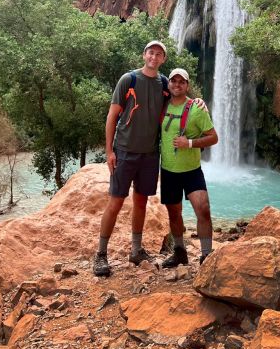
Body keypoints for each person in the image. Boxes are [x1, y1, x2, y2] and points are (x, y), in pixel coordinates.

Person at [93, 40, 169, 278]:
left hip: (149, 154)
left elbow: (176, 107)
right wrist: (109, 151)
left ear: (163, 59)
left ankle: (136, 250)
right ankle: (101, 254)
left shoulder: (164, 84)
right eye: (150, 53)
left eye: (158, 54)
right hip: (125, 151)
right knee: (115, 202)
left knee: (141, 202)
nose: (154, 57)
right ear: (144, 55)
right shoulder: (129, 80)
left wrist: (198, 103)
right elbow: (112, 116)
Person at [160, 67, 218, 267]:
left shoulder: (196, 108)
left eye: (181, 82)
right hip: (168, 171)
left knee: (203, 209)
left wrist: (190, 143)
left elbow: (213, 137)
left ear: (187, 85)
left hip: (192, 171)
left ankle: (206, 256)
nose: (177, 84)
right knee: (174, 214)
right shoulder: (162, 106)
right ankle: (179, 253)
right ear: (168, 84)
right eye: (173, 81)